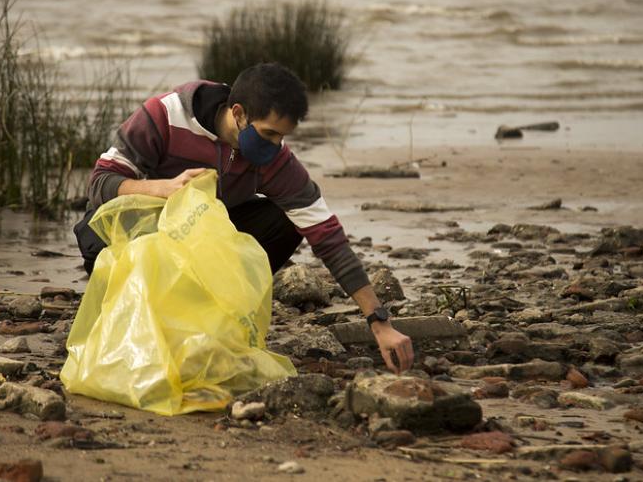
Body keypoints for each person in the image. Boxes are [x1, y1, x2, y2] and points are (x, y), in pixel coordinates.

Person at [74, 62, 414, 374]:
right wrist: (162, 188)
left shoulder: (273, 158)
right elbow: (100, 184)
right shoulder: (164, 115)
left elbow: (326, 234)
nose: (276, 144)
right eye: (268, 133)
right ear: (238, 113)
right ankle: (133, 308)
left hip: (202, 238)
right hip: (140, 230)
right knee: (94, 234)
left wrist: (378, 321)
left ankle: (212, 313)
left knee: (285, 220)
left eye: (282, 136)